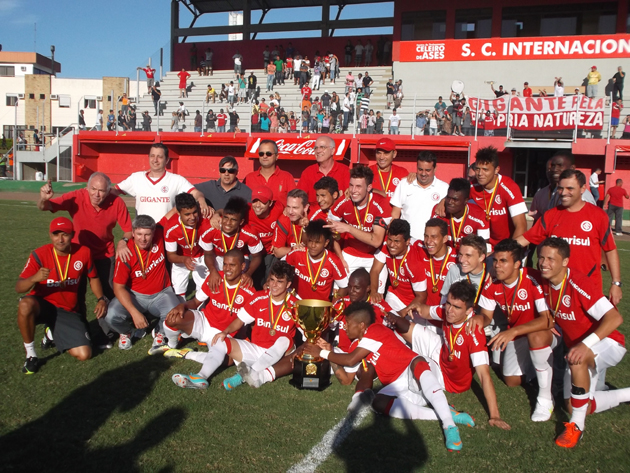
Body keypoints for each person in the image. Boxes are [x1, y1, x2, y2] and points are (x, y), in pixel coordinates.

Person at [303, 301, 470, 452]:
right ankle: (444, 412)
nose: (344, 327)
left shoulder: (375, 330)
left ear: (361, 325)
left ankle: (449, 426)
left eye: (348, 323)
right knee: (378, 402)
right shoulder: (357, 346)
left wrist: (322, 353)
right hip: (401, 384)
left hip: (418, 370)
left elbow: (350, 359)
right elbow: (346, 379)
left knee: (418, 362)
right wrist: (330, 353)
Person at [537, 238, 629, 448]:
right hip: (580, 349)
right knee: (574, 405)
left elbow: (615, 318)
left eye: (551, 259)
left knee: (577, 360)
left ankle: (576, 427)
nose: (544, 263)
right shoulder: (545, 282)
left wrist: (585, 344)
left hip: (609, 343)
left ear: (565, 262)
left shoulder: (578, 282)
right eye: (541, 257)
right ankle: (627, 394)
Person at [385, 282, 512, 432]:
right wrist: (414, 307)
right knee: (402, 324)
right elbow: (426, 311)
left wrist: (495, 415)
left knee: (415, 376)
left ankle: (440, 409)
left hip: (448, 380)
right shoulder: (447, 311)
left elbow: (484, 376)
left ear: (469, 310)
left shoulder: (474, 332)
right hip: (440, 351)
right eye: (449, 304)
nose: (450, 311)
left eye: (456, 307)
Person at [172, 261, 300, 390]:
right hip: (257, 349)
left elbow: (307, 334)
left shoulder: (296, 305)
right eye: (272, 280)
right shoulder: (259, 297)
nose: (274, 285)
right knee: (221, 340)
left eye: (279, 282)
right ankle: (201, 377)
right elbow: (240, 320)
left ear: (288, 284)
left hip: (280, 357)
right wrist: (225, 332)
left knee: (284, 340)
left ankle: (241, 376)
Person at [38, 173, 132, 344]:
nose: (97, 194)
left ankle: (106, 333)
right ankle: (76, 331)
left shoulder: (116, 202)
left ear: (108, 191)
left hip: (104, 254)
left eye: (101, 191)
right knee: (75, 294)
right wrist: (44, 199)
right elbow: (46, 206)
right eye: (93, 189)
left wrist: (123, 241)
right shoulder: (76, 196)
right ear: (87, 188)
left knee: (107, 293)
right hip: (78, 255)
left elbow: (128, 230)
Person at [473, 239, 556, 422]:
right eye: (496, 260)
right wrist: (479, 319)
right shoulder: (492, 283)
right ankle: (540, 369)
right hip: (517, 333)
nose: (497, 265)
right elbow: (486, 315)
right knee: (511, 381)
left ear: (517, 264)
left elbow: (547, 319)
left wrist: (513, 331)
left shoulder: (533, 279)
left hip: (542, 331)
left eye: (503, 261)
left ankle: (546, 395)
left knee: (536, 338)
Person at [16, 217, 108, 374]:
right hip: (42, 306)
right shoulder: (39, 254)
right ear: (50, 235)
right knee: (25, 304)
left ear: (72, 235)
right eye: (56, 234)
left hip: (67, 310)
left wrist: (101, 299)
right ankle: (31, 355)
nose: (60, 239)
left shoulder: (83, 252)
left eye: (65, 234)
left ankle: (50, 333)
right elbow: (19, 287)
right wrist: (34, 278)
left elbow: (93, 278)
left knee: (84, 354)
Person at [516, 169, 621, 304]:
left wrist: (616, 283)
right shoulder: (551, 215)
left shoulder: (598, 216)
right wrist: (499, 250)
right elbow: (525, 239)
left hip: (588, 288)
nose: (564, 192)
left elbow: (610, 249)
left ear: (583, 188)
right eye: (560, 188)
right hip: (555, 288)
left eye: (570, 188)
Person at [105, 215, 180, 354]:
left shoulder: (159, 233)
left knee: (176, 314)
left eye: (147, 234)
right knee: (111, 315)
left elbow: (175, 211)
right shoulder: (126, 252)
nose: (143, 239)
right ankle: (127, 332)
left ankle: (160, 331)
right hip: (135, 295)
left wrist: (205, 206)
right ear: (133, 233)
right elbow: (118, 287)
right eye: (139, 234)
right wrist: (134, 313)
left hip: (162, 293)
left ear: (154, 232)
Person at [162, 249, 256, 358]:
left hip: (224, 333)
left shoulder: (249, 290)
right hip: (204, 322)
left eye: (232, 265)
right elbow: (195, 301)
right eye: (225, 264)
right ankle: (171, 345)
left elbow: (251, 321)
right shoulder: (215, 278)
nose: (227, 268)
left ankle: (188, 354)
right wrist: (182, 305)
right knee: (173, 318)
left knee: (225, 360)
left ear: (242, 266)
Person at [115, 143, 209, 222]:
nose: (155, 160)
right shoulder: (136, 178)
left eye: (159, 157)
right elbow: (114, 190)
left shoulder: (176, 180)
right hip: (143, 232)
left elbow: (196, 193)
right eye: (152, 156)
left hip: (166, 231)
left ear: (167, 160)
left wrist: (201, 200)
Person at [327, 165, 391, 275]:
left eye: (358, 186)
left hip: (375, 255)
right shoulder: (343, 202)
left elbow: (376, 241)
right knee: (341, 285)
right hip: (350, 253)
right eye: (351, 185)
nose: (353, 191)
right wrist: (340, 258)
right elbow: (332, 234)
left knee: (375, 286)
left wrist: (348, 228)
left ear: (369, 187)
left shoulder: (380, 203)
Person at [468, 146, 527, 248]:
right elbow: (455, 195)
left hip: (509, 245)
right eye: (477, 169)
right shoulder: (472, 186)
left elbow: (521, 226)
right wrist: (443, 201)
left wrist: (509, 251)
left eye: (485, 169)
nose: (480, 174)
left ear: (496, 170)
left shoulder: (509, 186)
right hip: (485, 245)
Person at [200, 196, 263, 289]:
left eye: (233, 220)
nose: (228, 223)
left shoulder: (249, 233)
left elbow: (257, 257)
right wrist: (213, 270)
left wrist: (248, 273)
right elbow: (208, 254)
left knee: (239, 285)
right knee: (210, 283)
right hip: (217, 257)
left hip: (239, 259)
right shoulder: (210, 229)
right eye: (225, 217)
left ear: (241, 222)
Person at [370, 219, 427, 313]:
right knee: (382, 316)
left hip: (413, 303)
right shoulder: (385, 246)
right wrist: (374, 292)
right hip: (394, 295)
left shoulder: (414, 263)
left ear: (407, 241)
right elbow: (375, 270)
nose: (392, 245)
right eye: (390, 239)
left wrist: (402, 314)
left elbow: (422, 296)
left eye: (397, 241)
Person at [390, 151, 449, 241]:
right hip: (407, 242)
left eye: (428, 170)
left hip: (432, 243)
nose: (423, 174)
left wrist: (444, 199)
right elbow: (395, 215)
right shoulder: (404, 184)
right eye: (420, 169)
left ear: (435, 169)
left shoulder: (445, 188)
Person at [164, 193, 211, 301]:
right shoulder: (171, 227)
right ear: (178, 213)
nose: (192, 217)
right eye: (187, 214)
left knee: (204, 291)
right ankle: (182, 310)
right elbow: (171, 255)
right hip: (181, 258)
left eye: (195, 212)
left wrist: (216, 214)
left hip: (202, 256)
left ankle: (200, 310)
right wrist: (184, 259)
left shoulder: (205, 220)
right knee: (178, 292)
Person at [286, 220, 348, 300]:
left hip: (320, 305)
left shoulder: (334, 261)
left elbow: (344, 287)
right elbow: (280, 269)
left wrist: (334, 305)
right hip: (297, 300)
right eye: (310, 241)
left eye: (317, 242)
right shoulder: (297, 253)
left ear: (326, 243)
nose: (313, 245)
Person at [529, 151, 596, 223]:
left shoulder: (582, 196)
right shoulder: (556, 190)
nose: (554, 169)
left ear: (572, 168)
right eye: (553, 166)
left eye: (560, 166)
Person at [431, 178, 489, 251]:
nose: (450, 202)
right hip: (446, 255)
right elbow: (431, 239)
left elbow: (484, 247)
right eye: (448, 198)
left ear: (466, 201)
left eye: (455, 199)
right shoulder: (439, 211)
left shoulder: (479, 215)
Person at [296, 135, 350, 207]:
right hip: (314, 213)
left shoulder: (345, 171)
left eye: (322, 147)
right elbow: (299, 198)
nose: (318, 151)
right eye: (316, 148)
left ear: (332, 150)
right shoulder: (308, 172)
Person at [244, 140, 295, 204]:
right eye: (261, 154)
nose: (265, 156)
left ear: (277, 156)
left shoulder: (287, 177)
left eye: (268, 154)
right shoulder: (249, 178)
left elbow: (295, 202)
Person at [272, 188, 309, 259]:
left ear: (305, 207)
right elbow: (277, 252)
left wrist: (307, 227)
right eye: (288, 207)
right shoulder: (283, 220)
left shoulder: (314, 218)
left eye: (295, 207)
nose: (290, 212)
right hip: (291, 257)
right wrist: (294, 249)